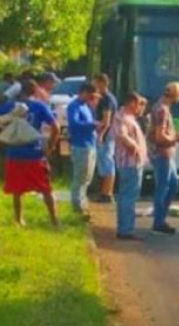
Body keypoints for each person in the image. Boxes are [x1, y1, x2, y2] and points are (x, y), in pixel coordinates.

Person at [0, 81, 60, 226]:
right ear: (34, 92)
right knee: (46, 188)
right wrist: (50, 147)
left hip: (14, 153)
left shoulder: (8, 106)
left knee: (17, 189)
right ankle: (54, 221)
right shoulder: (39, 106)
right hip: (35, 153)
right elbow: (56, 127)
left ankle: (18, 219)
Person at [148, 81, 179, 235]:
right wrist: (174, 139)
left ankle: (161, 219)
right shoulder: (162, 110)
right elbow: (159, 137)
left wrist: (173, 137)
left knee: (173, 185)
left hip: (165, 153)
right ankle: (159, 221)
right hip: (162, 153)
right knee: (163, 188)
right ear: (174, 95)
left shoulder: (160, 107)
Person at [112, 92, 148, 240]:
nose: (141, 108)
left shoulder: (128, 118)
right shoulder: (122, 117)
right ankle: (126, 230)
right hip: (130, 162)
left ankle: (124, 228)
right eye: (139, 104)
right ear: (132, 103)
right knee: (128, 196)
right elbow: (121, 135)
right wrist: (132, 145)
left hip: (133, 162)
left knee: (126, 196)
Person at [67, 82, 100, 217]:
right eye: (90, 95)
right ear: (84, 92)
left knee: (87, 177)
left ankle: (83, 203)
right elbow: (74, 124)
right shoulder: (74, 106)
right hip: (80, 145)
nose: (91, 98)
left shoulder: (86, 106)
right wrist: (92, 124)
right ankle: (77, 206)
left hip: (90, 144)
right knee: (80, 177)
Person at [93, 73, 118, 204]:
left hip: (106, 135)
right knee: (106, 162)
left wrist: (101, 135)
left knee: (107, 162)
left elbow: (106, 120)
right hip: (108, 134)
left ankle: (107, 192)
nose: (94, 86)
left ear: (102, 83)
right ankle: (105, 191)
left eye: (95, 83)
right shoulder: (107, 98)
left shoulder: (106, 99)